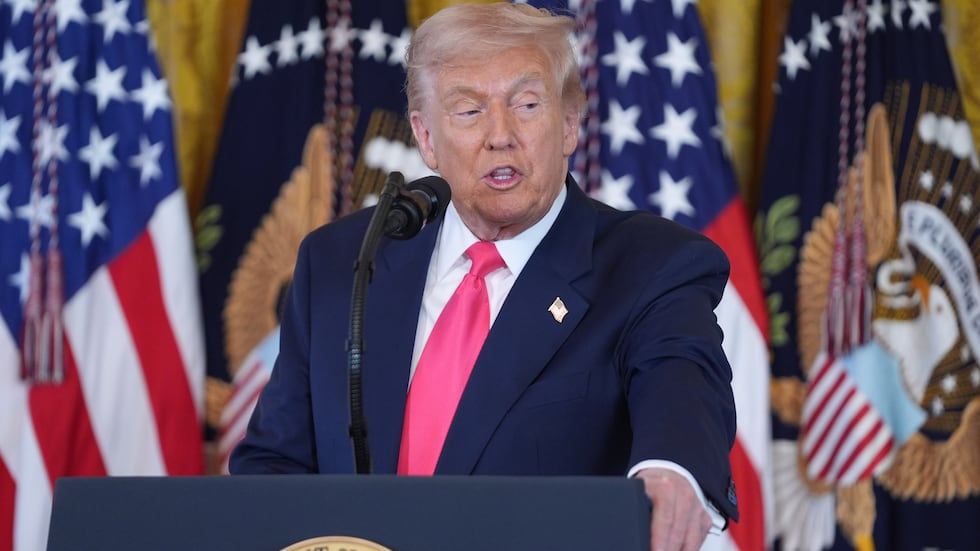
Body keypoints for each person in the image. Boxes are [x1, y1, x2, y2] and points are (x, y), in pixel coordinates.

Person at [231, 3, 739, 549]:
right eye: (469, 111)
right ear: (426, 137)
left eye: (526, 104)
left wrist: (671, 474)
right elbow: (273, 468)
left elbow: (683, 386)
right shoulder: (342, 262)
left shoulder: (652, 265)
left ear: (569, 123)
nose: (501, 135)